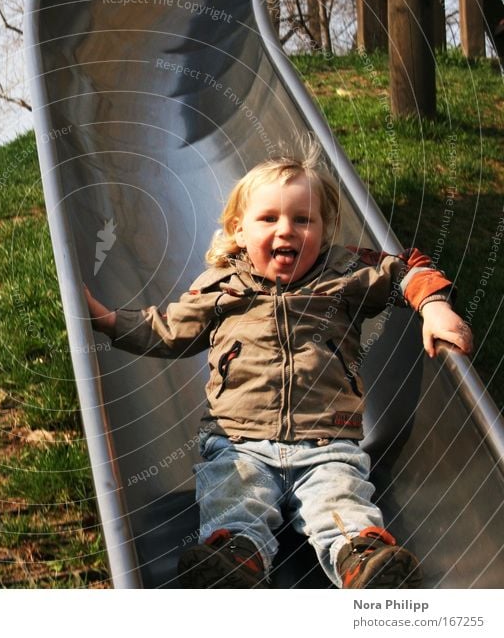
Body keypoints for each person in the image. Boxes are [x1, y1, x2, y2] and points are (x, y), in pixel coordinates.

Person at [85, 151, 473, 589]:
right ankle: (235, 560)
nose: (286, 229)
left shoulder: (343, 273)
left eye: (303, 220)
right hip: (240, 442)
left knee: (339, 499)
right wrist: (107, 320)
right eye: (268, 219)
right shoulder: (221, 286)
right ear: (239, 230)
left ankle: (362, 560)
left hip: (326, 439)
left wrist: (436, 308)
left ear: (324, 230)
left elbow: (405, 270)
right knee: (234, 498)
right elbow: (168, 329)